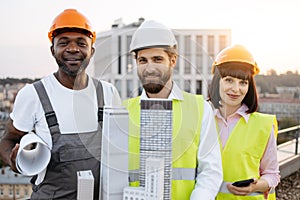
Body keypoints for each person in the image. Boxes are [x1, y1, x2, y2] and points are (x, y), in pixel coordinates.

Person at [0, 9, 121, 199]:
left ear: (92, 50)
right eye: (64, 43)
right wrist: (13, 160)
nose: (73, 49)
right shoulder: (34, 94)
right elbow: (8, 139)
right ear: (52, 50)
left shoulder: (107, 93)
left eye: (81, 43)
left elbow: (118, 149)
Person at [123, 20, 223, 200]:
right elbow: (113, 173)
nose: (150, 67)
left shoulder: (200, 108)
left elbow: (211, 171)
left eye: (157, 59)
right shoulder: (122, 111)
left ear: (173, 60)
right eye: (142, 60)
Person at [208, 44, 280, 200]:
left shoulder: (263, 125)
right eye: (229, 80)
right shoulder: (203, 120)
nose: (236, 89)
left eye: (243, 82)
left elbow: (272, 174)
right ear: (217, 81)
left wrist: (255, 186)